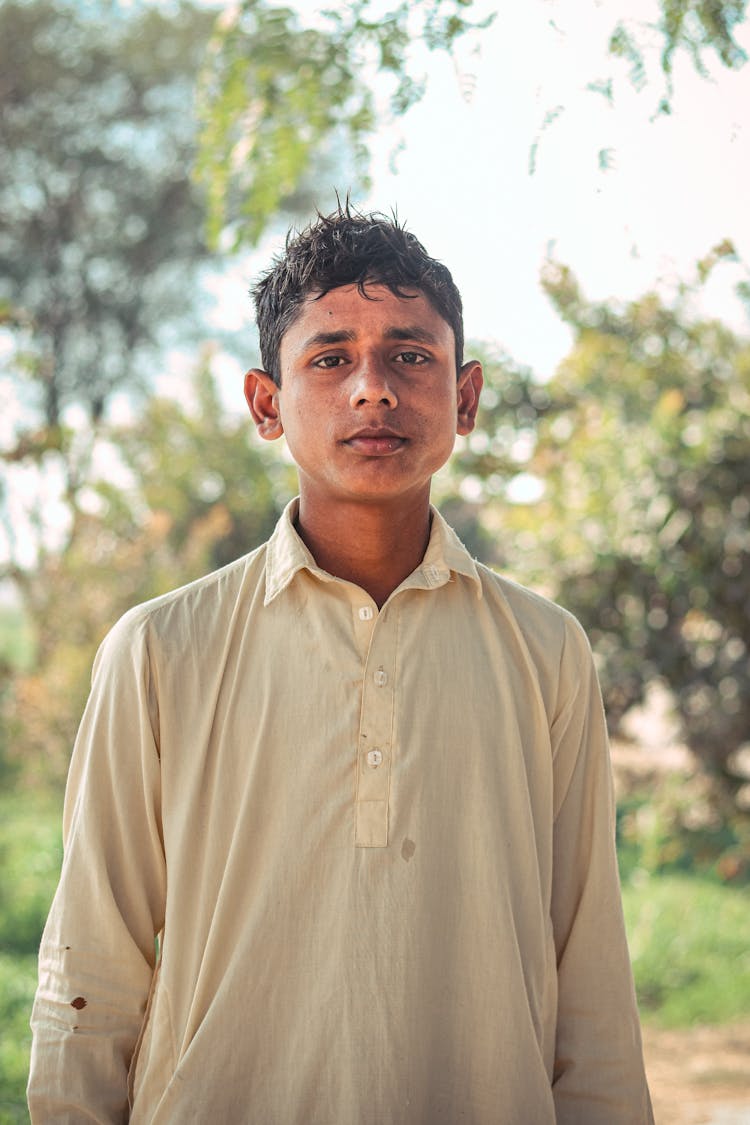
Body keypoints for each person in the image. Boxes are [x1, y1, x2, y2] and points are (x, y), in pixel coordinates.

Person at [28, 205, 654, 1124]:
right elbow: (93, 961)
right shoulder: (162, 650)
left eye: (411, 355)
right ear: (266, 404)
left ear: (466, 397)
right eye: (329, 358)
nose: (373, 389)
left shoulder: (546, 649)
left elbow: (589, 973)